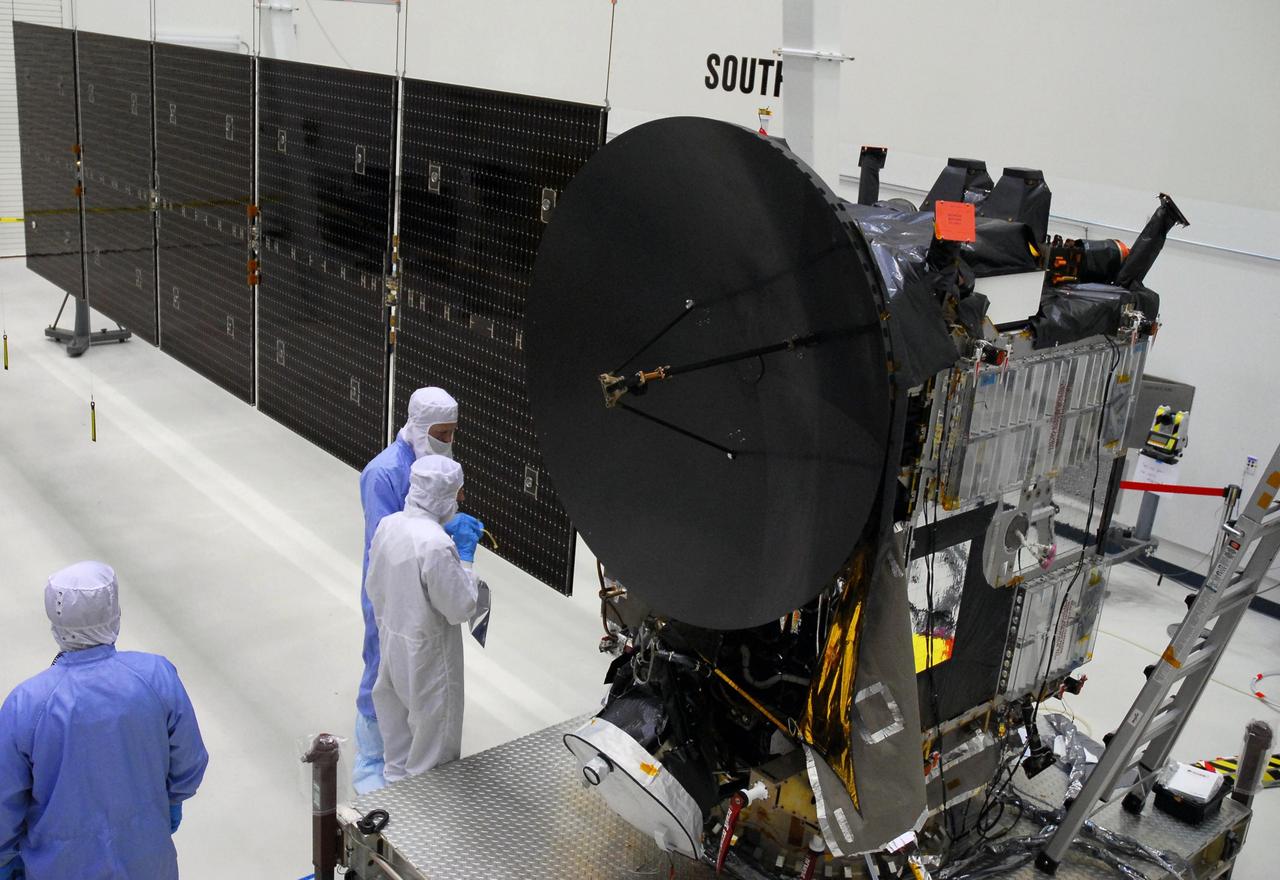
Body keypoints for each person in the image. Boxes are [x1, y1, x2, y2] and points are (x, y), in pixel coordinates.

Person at [0, 562, 208, 880]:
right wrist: (172, 801)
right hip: (147, 862)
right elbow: (189, 761)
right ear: (113, 609)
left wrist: (4, 857)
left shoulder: (27, 703)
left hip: (59, 868)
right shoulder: (155, 677)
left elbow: (5, 798)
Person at [354, 386, 482, 793]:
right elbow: (460, 605)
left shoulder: (401, 523)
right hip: (416, 624)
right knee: (430, 744)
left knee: (394, 707)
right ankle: (402, 793)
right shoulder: (384, 473)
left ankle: (389, 780)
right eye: (441, 433)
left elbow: (388, 547)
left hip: (399, 612)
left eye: (452, 433)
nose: (447, 442)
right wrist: (461, 556)